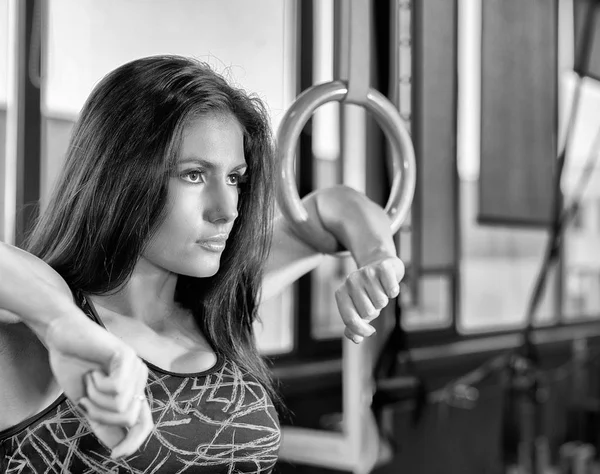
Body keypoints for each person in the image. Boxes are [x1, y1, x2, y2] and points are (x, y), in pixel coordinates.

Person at [0, 55, 405, 473]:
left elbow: (331, 208)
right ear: (121, 177)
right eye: (194, 174)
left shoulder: (218, 307)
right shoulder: (26, 341)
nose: (226, 210)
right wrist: (60, 323)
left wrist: (379, 257)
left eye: (234, 179)